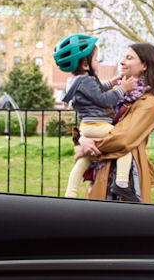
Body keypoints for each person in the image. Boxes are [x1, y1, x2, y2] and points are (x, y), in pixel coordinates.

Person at [74, 43, 154, 203]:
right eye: (123, 57)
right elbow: (89, 123)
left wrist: (87, 149)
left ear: (144, 65)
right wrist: (81, 140)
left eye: (129, 58)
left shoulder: (147, 103)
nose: (122, 62)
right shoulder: (111, 94)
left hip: (127, 178)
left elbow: (123, 139)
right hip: (100, 174)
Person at [53, 34, 137, 200]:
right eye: (96, 60)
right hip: (99, 126)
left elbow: (95, 92)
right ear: (85, 64)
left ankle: (70, 194)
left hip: (87, 127)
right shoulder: (87, 81)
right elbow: (103, 99)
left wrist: (111, 83)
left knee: (84, 161)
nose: (99, 63)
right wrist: (123, 89)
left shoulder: (75, 81)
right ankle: (121, 183)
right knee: (126, 144)